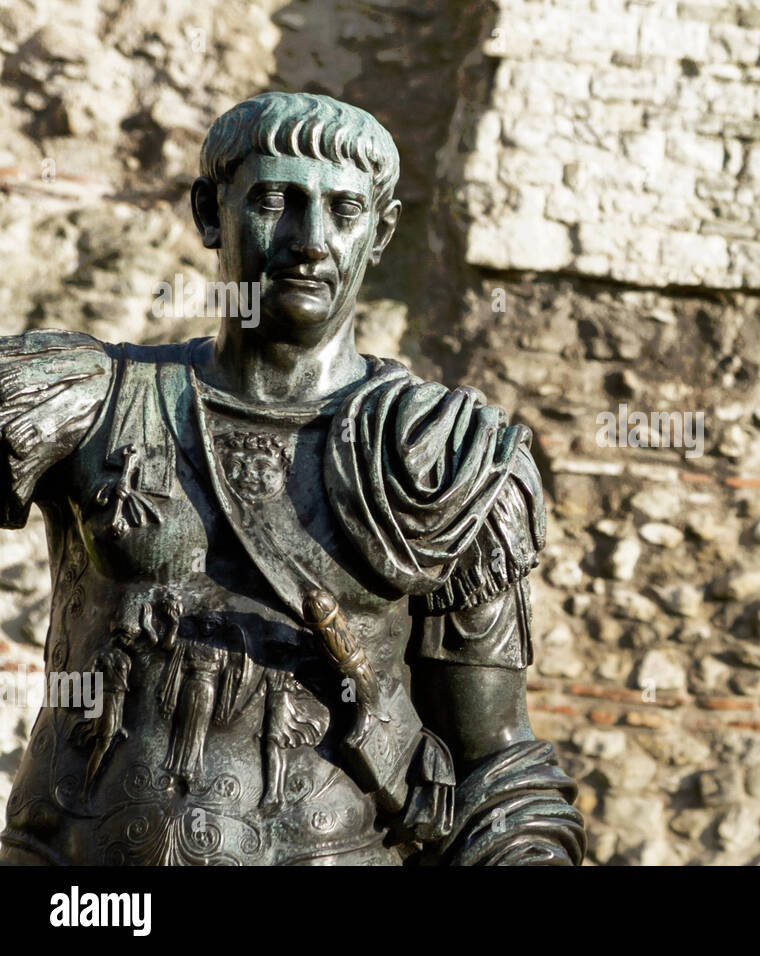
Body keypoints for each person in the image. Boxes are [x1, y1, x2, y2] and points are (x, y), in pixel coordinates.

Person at [0, 92, 585, 866]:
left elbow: (496, 767)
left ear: (380, 235)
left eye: (344, 210)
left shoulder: (447, 461)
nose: (311, 242)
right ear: (212, 213)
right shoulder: (86, 397)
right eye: (278, 200)